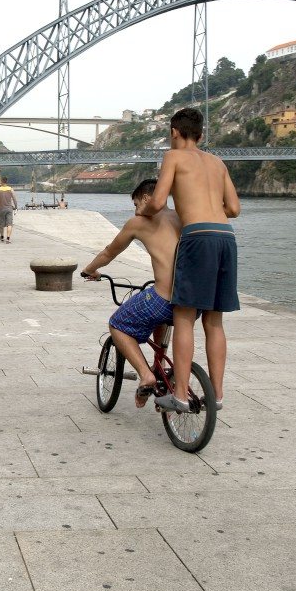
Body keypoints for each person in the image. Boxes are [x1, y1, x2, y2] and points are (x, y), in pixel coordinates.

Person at [139, 107, 241, 413]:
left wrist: (143, 213)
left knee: (184, 317)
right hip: (226, 238)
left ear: (173, 132)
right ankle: (217, 395)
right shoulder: (218, 162)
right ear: (201, 134)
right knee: (214, 320)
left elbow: (157, 202)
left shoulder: (173, 157)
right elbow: (234, 209)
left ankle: (181, 394)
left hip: (198, 238)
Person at [81, 179, 182, 408]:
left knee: (117, 324)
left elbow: (109, 252)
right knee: (160, 318)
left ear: (147, 199)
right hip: (190, 300)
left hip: (162, 298)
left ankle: (146, 375)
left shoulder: (138, 222)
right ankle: (160, 370)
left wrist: (90, 270)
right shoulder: (180, 216)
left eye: (136, 203)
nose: (136, 210)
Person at [0, 176, 16, 243]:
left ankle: (2, 237)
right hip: (9, 208)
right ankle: (8, 238)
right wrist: (16, 206)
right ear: (6, 182)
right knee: (9, 224)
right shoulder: (10, 189)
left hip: (1, 209)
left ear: (1, 181)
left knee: (1, 224)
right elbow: (14, 199)